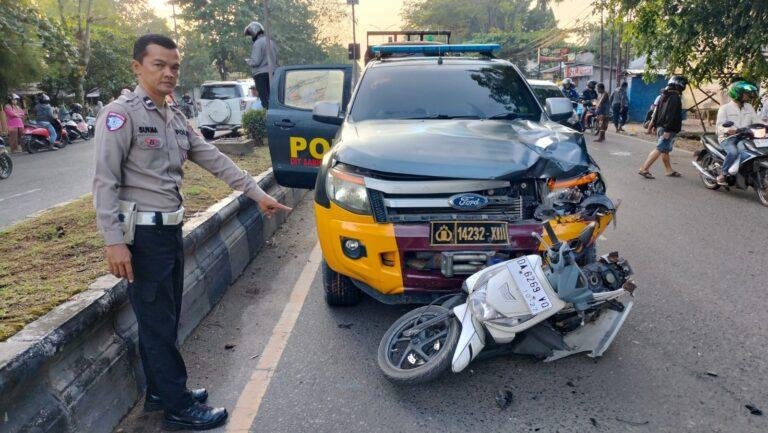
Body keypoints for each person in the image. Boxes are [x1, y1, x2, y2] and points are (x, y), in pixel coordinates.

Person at [92, 34, 291, 431]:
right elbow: (104, 183)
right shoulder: (120, 115)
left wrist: (255, 194)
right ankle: (178, 406)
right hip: (143, 239)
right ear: (137, 67)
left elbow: (214, 159)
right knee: (158, 323)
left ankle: (158, 390)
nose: (169, 73)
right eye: (159, 65)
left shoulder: (174, 116)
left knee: (163, 318)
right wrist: (114, 242)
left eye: (175, 66)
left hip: (168, 234)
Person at [638, 75, 687, 179]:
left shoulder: (663, 96)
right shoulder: (674, 97)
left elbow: (656, 112)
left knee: (665, 150)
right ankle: (644, 168)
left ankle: (669, 170)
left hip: (661, 127)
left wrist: (654, 125)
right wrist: (668, 130)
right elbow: (671, 114)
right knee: (660, 148)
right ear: (679, 85)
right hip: (667, 129)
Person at [714, 81, 758, 185]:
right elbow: (719, 126)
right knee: (733, 152)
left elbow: (757, 120)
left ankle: (740, 171)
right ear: (738, 94)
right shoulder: (724, 108)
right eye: (746, 93)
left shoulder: (749, 107)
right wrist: (728, 130)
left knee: (750, 152)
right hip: (728, 138)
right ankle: (723, 173)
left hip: (745, 137)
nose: (748, 95)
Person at [244, 21, 277, 110]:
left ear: (254, 32)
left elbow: (255, 61)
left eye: (251, 34)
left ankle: (267, 116)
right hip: (272, 73)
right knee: (272, 97)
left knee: (264, 98)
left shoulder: (258, 43)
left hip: (260, 75)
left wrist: (248, 61)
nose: (251, 37)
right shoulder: (271, 42)